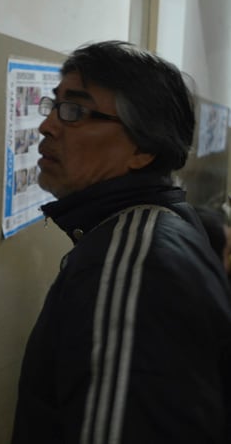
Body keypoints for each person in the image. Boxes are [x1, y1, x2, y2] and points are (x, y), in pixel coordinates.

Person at [12, 41, 231, 444]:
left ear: (143, 149)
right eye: (54, 104)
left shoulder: (134, 267)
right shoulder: (158, 224)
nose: (47, 126)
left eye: (75, 111)